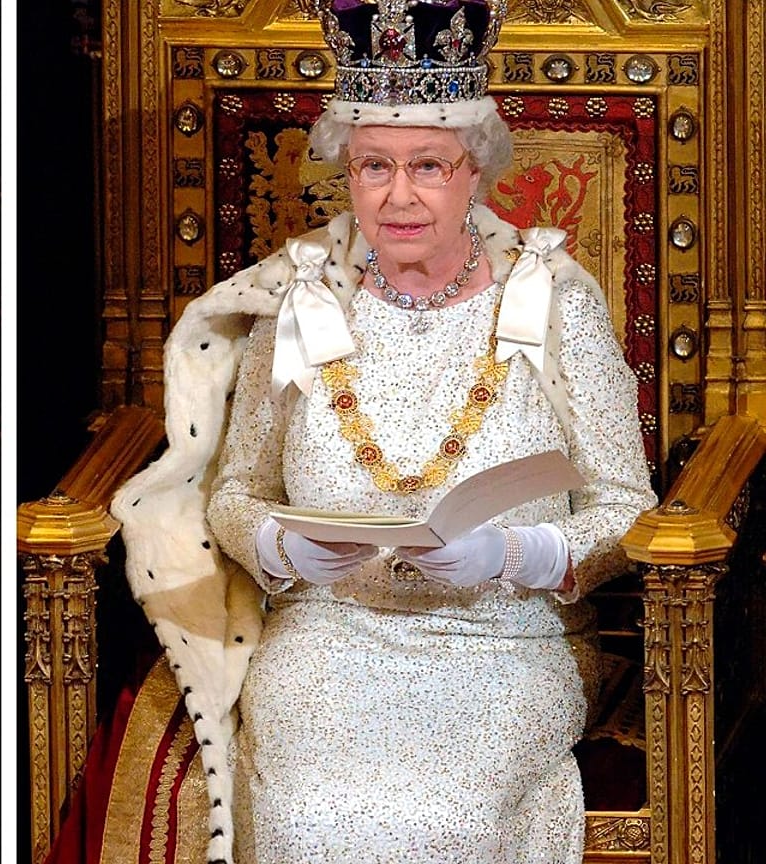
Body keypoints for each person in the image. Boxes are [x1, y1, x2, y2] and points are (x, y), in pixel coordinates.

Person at [111, 1, 656, 862]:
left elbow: (629, 510)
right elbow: (239, 492)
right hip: (329, 635)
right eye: (374, 167)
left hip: (502, 642)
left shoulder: (555, 299)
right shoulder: (303, 299)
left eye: (429, 166)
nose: (399, 197)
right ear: (347, 172)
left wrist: (511, 557)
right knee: (312, 809)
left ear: (475, 170)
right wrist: (278, 547)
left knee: (448, 816)